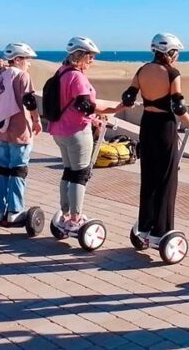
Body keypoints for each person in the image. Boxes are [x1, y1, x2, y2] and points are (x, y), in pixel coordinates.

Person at [120, 33, 189, 245]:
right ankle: (162, 229)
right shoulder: (172, 73)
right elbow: (179, 106)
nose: (177, 57)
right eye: (176, 53)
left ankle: (145, 224)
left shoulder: (141, 70)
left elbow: (128, 97)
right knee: (167, 178)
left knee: (148, 177)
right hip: (165, 127)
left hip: (146, 125)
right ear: (170, 53)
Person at [48, 36, 125, 233]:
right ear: (81, 56)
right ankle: (75, 218)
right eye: (90, 57)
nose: (92, 61)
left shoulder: (61, 73)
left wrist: (94, 118)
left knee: (68, 172)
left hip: (59, 130)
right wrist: (115, 108)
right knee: (80, 174)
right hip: (76, 132)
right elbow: (86, 105)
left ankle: (65, 214)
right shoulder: (77, 77)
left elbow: (74, 105)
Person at [0, 42, 42, 222]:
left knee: (3, 169)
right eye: (27, 60)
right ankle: (15, 211)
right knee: (18, 170)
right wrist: (36, 120)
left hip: (1, 130)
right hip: (20, 130)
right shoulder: (23, 76)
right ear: (17, 59)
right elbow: (29, 101)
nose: (29, 63)